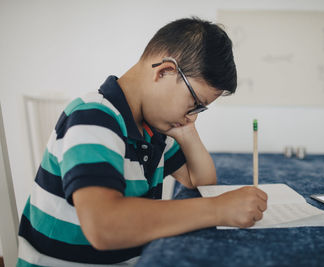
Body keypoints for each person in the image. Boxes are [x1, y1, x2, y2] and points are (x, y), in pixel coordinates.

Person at [17, 17, 268, 266]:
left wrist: (187, 129)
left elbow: (199, 180)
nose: (192, 115)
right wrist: (217, 210)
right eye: (194, 104)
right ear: (165, 71)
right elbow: (104, 226)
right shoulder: (93, 116)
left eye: (200, 110)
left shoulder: (153, 130)